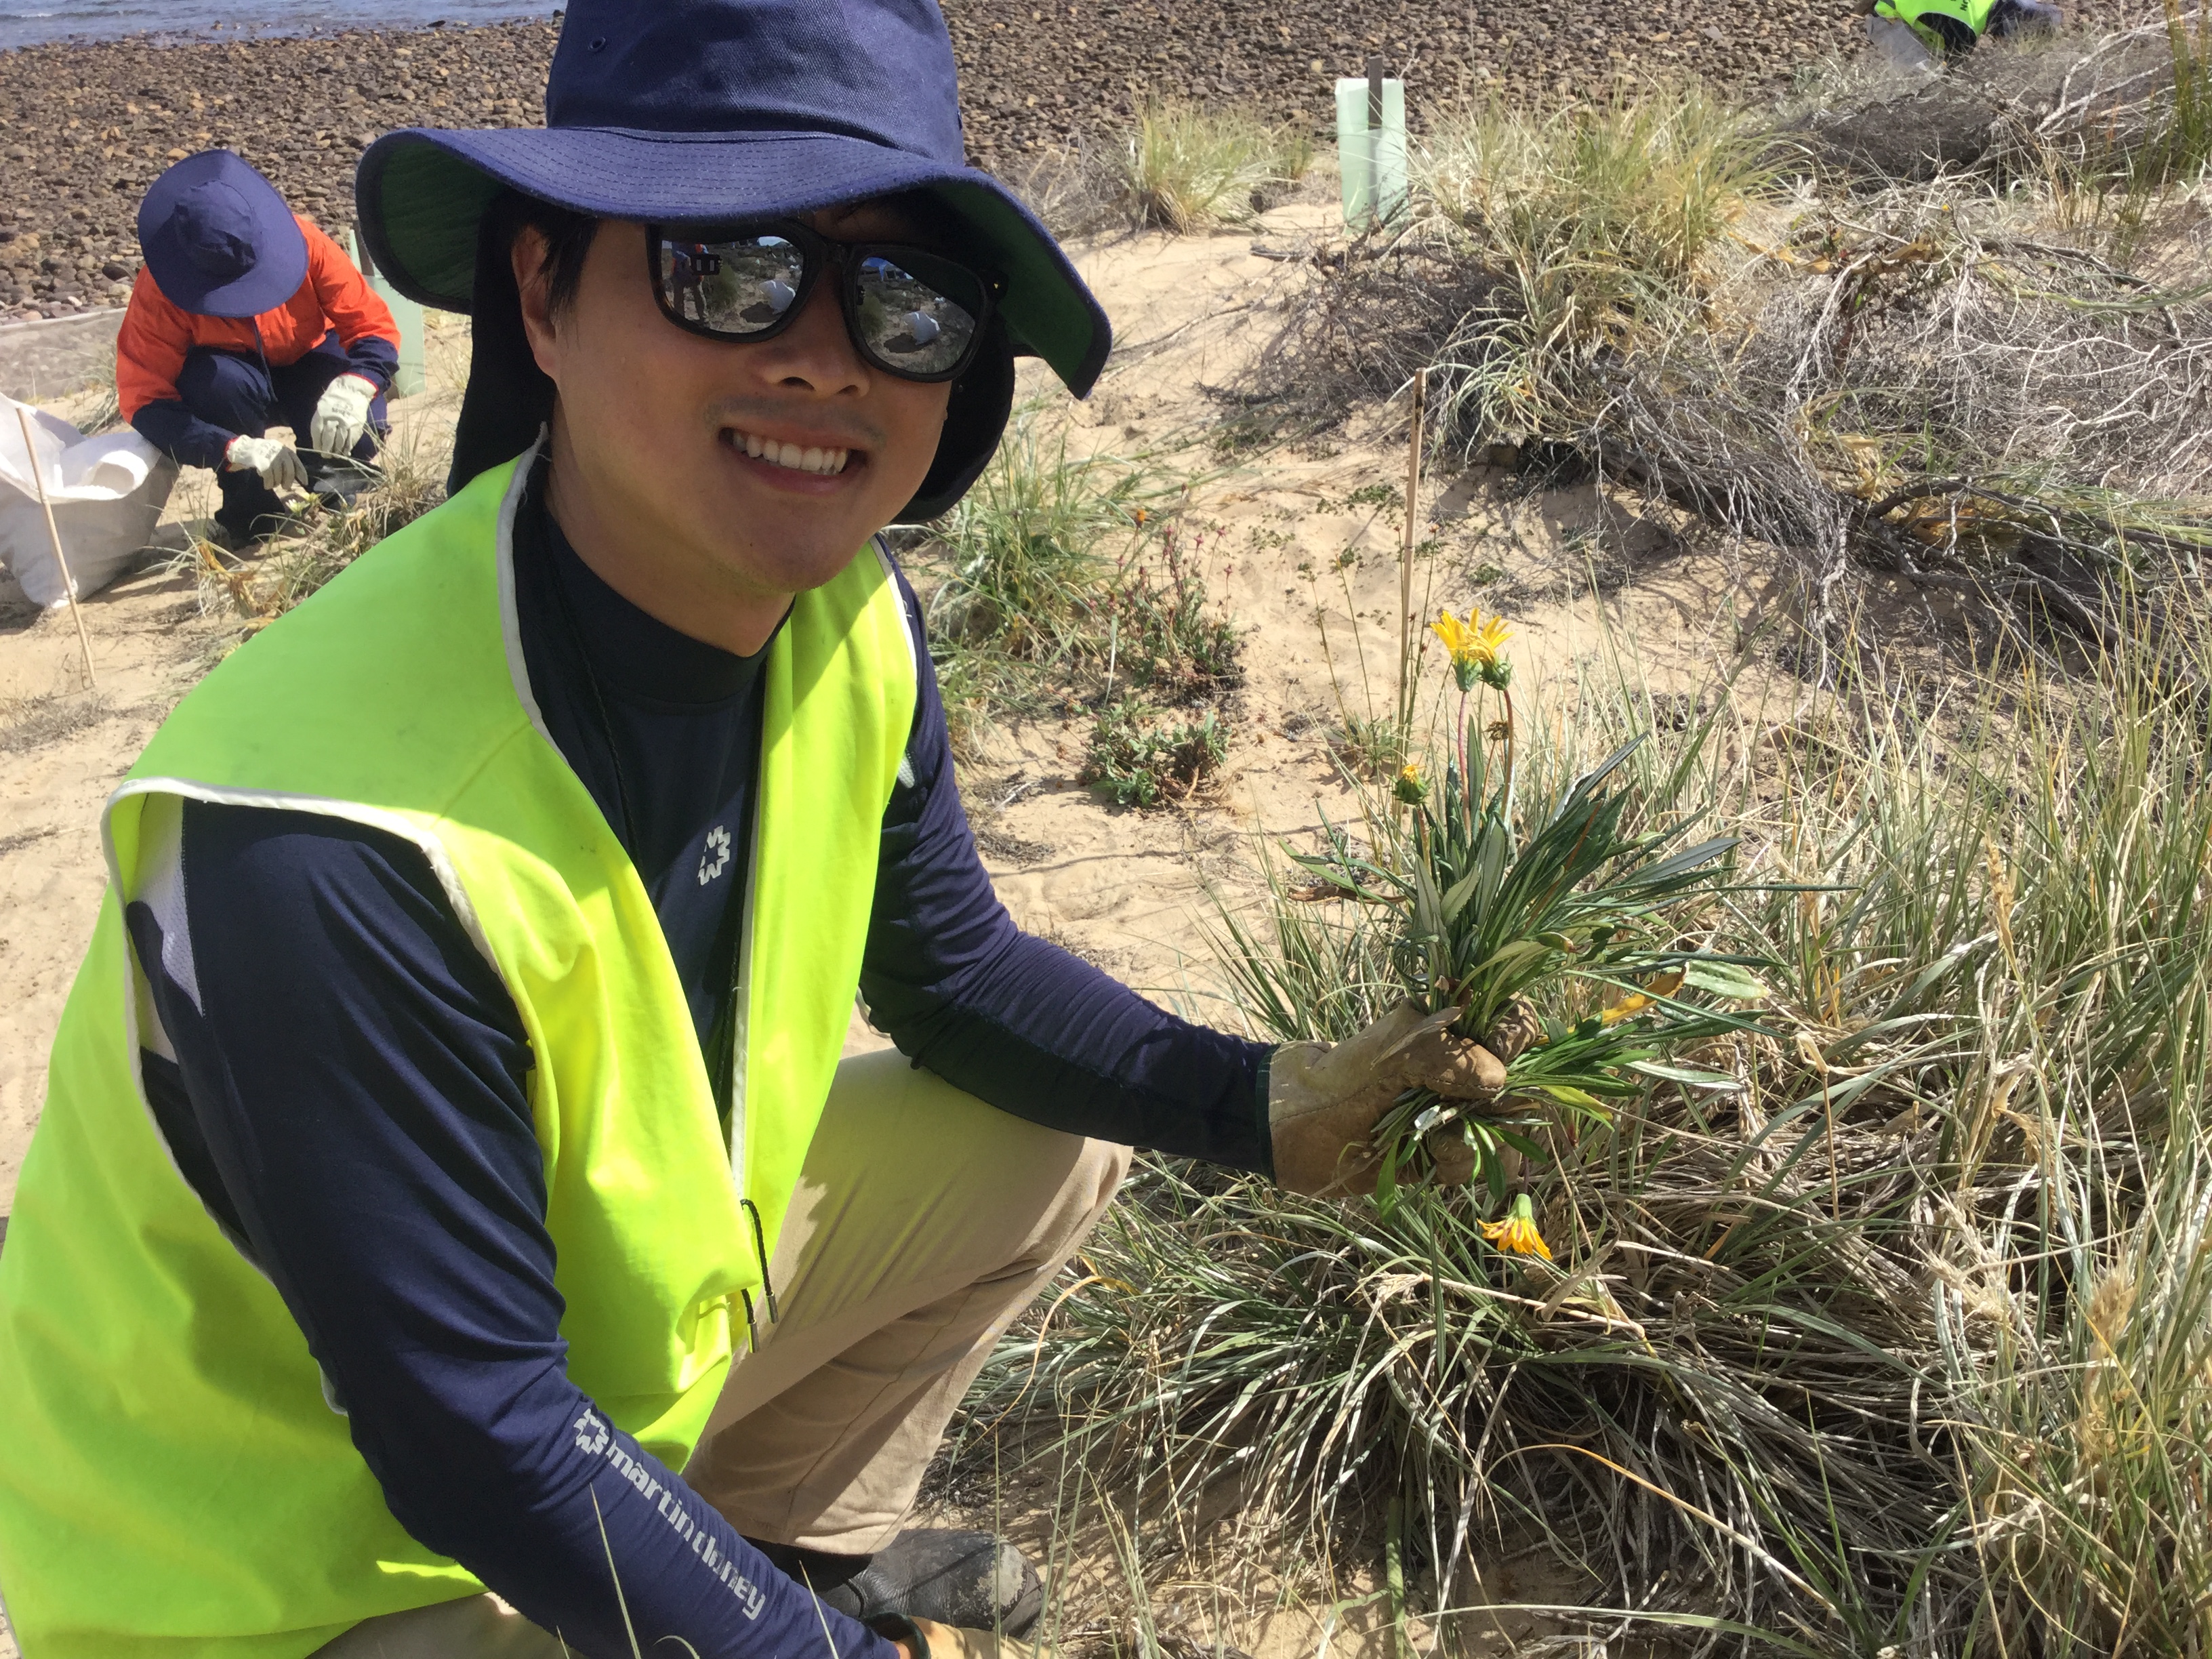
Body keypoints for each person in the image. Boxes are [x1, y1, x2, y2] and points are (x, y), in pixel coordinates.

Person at [0, 3, 1514, 1657]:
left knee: (1047, 1138)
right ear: (543, 295)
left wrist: (1259, 1103)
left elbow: (954, 980)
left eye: (907, 299)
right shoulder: (328, 831)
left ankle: (775, 1538)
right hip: (276, 1567)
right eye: (729, 268)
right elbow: (475, 1435)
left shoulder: (841, 620)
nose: (821, 355)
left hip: (541, 1385)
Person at [116, 148, 400, 544]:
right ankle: (253, 512)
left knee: (358, 429)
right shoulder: (158, 291)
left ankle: (338, 490)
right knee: (215, 382)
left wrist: (358, 384)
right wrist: (229, 449)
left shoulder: (306, 241)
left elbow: (373, 325)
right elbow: (143, 400)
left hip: (310, 359)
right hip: (232, 383)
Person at [1858, 0, 2062, 68]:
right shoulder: (1965, 29)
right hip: (1887, 19)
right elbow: (1953, 78)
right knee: (1924, 84)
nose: (2003, 43)